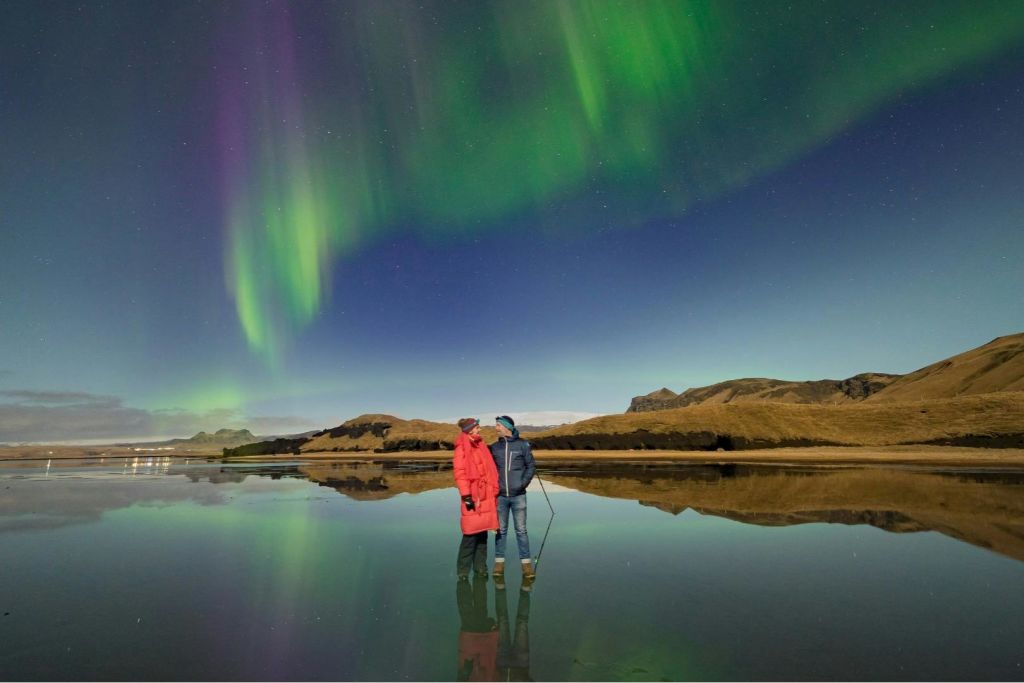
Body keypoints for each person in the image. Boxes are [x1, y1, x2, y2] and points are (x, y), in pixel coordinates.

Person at [490, 415, 537, 579]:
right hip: (500, 497)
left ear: (506, 427)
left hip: (519, 496)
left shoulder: (523, 445)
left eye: (498, 425)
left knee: (521, 531)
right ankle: (499, 564)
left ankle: (526, 566)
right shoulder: (494, 447)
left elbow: (531, 466)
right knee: (500, 531)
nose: (495, 428)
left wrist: (522, 484)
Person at [453, 417, 500, 579]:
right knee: (470, 535)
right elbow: (460, 473)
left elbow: (487, 470)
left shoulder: (480, 445)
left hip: (485, 494)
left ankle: (480, 568)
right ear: (470, 429)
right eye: (477, 427)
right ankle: (463, 571)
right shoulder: (461, 448)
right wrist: (466, 495)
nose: (480, 429)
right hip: (473, 496)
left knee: (482, 535)